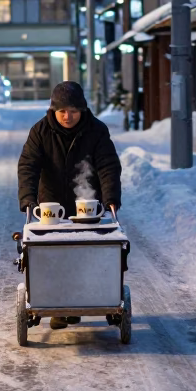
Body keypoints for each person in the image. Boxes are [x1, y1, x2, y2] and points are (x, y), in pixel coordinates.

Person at [18, 81, 122, 329]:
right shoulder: (40, 131)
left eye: (73, 111)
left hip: (86, 204)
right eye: (62, 111)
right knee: (55, 254)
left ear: (82, 110)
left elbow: (108, 166)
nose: (68, 116)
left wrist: (111, 200)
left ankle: (78, 302)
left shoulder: (96, 130)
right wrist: (28, 200)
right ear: (53, 110)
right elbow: (28, 166)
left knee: (84, 253)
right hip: (51, 204)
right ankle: (60, 308)